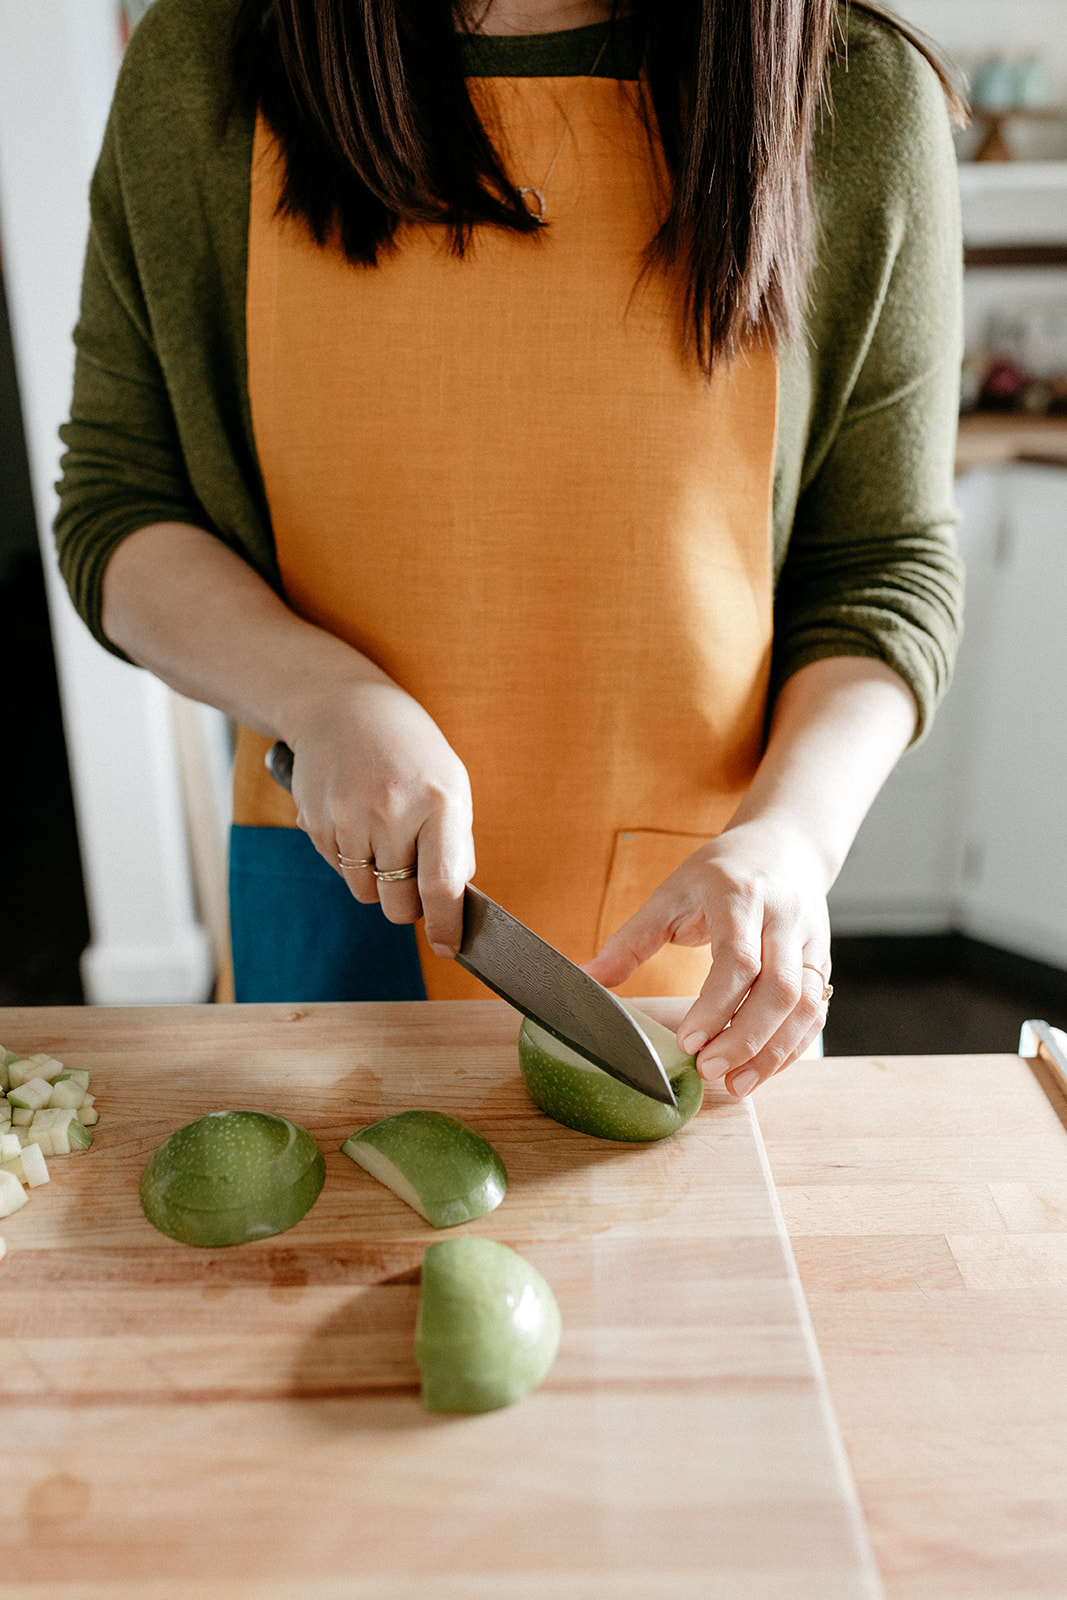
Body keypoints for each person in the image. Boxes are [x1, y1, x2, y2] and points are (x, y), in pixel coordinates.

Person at [55, 0, 965, 1098]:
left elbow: (883, 569)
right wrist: (324, 697)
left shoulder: (857, 95)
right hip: (334, 900)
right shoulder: (201, 62)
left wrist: (791, 840)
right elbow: (121, 502)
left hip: (687, 954)